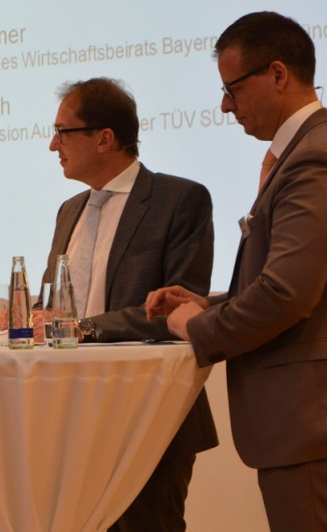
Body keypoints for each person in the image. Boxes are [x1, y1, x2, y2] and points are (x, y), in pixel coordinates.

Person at [145, 11, 327, 530]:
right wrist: (207, 303)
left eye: (233, 88)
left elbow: (285, 294)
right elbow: (298, 282)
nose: (225, 105)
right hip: (315, 415)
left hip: (316, 415)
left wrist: (195, 326)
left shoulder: (318, 158)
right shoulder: (310, 153)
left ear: (278, 74)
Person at [34, 78, 218, 531]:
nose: (53, 145)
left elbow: (177, 311)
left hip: (147, 414)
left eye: (62, 132)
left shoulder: (180, 200)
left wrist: (83, 329)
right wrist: (34, 317)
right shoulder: (69, 210)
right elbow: (56, 303)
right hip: (70, 414)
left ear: (104, 138)